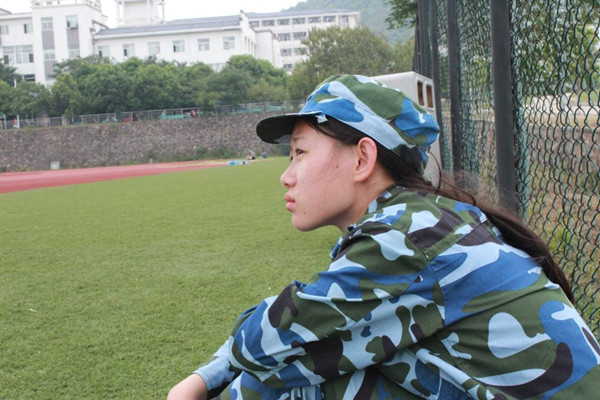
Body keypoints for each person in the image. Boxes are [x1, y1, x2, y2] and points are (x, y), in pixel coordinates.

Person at [168, 75, 600, 400]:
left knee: (286, 385)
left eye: (299, 152)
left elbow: (268, 339)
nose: (287, 175)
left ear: (362, 159)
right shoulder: (423, 219)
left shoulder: (405, 238)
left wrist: (202, 380)